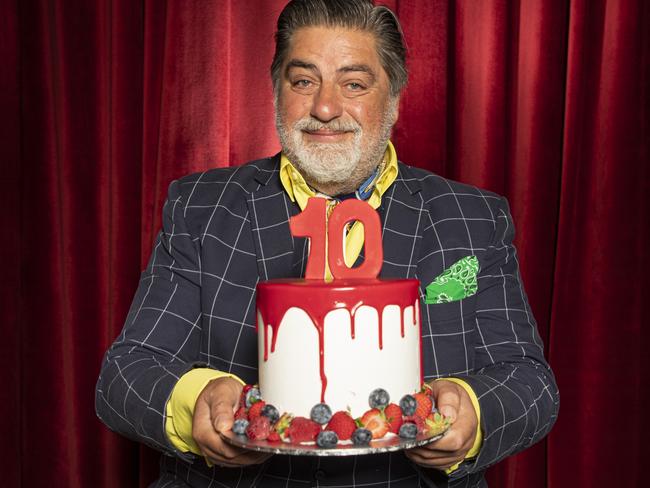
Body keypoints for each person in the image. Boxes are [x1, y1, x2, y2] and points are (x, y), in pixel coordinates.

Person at [96, 1, 559, 486]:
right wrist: (197, 400)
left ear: (395, 97)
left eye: (354, 84)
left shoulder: (472, 218)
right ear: (277, 89)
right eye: (304, 81)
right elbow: (125, 375)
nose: (324, 107)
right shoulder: (201, 206)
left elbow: (530, 383)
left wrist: (472, 412)